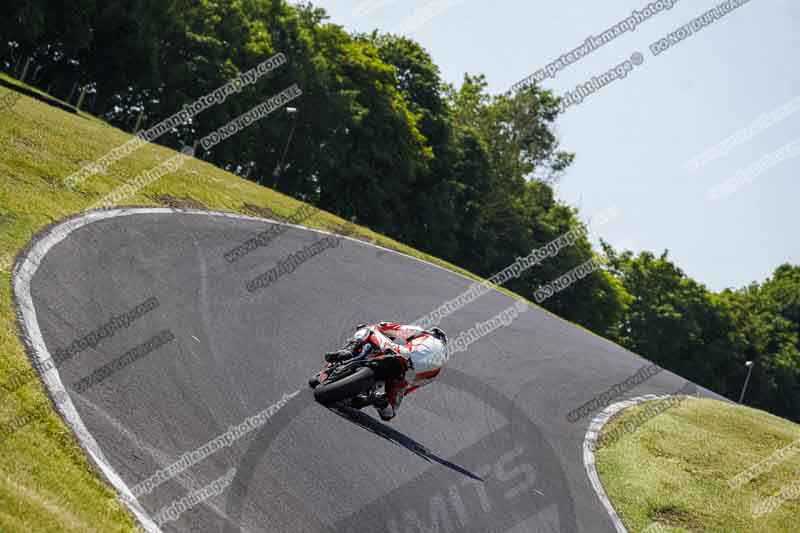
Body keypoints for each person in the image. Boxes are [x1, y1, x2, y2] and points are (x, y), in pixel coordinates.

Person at [324, 322, 449, 421]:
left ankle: (350, 350)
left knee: (369, 328)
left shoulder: (423, 333)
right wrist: (394, 392)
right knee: (389, 413)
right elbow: (410, 387)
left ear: (433, 333)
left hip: (405, 354)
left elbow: (387, 327)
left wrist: (383, 331)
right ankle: (382, 403)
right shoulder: (438, 367)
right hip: (411, 374)